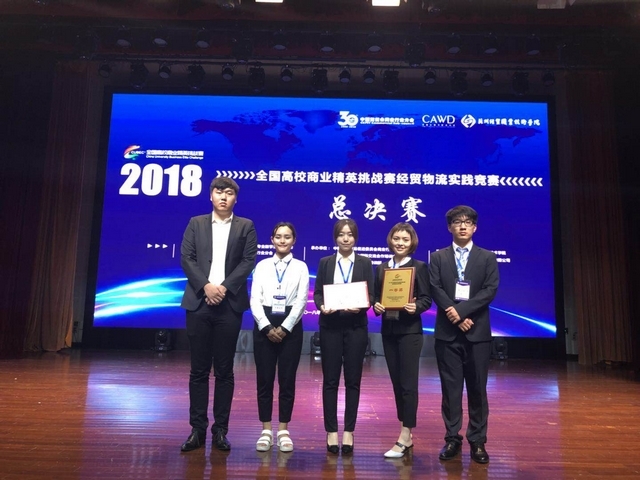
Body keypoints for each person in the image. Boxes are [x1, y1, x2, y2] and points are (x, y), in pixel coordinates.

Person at [179, 176, 257, 452]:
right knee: (198, 370)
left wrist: (222, 288)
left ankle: (220, 430)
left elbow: (248, 261)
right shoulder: (196, 223)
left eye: (229, 193)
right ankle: (197, 429)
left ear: (236, 198)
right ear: (210, 196)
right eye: (218, 192)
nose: (223, 197)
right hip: (199, 302)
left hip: (229, 304)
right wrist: (206, 287)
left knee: (224, 371)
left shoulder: (246, 226)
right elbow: (186, 258)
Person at [429, 205, 499, 464]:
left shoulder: (487, 257)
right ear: (449, 227)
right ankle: (452, 438)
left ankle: (478, 441)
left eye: (467, 222)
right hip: (447, 334)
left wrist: (461, 312)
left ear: (474, 227)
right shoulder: (438, 257)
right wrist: (455, 315)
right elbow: (435, 288)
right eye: (457, 222)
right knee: (450, 390)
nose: (462, 226)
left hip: (477, 333)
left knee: (478, 389)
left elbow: (490, 290)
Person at [313, 218, 374, 455]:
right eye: (341, 234)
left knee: (353, 380)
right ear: (335, 237)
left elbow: (371, 295)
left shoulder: (365, 263)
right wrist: (321, 306)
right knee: (330, 380)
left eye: (350, 234)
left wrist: (362, 305)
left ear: (355, 237)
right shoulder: (326, 262)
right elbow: (318, 293)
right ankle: (331, 431)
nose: (346, 238)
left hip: (356, 327)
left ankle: (349, 431)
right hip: (330, 326)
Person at [373, 222, 432, 458]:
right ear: (390, 240)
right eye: (396, 238)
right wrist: (376, 305)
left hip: (410, 332)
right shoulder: (382, 268)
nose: (400, 243)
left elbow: (426, 299)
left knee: (408, 384)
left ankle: (405, 435)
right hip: (389, 331)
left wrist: (416, 306)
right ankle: (405, 430)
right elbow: (376, 297)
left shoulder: (419, 267)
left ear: (412, 242)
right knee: (397, 384)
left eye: (405, 239)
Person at [250, 222, 309, 453]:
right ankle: (266, 429)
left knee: (287, 380)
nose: (282, 241)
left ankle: (283, 430)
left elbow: (302, 300)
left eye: (287, 237)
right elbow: (254, 299)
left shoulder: (301, 267)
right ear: (272, 240)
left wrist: (285, 327)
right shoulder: (262, 265)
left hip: (291, 326)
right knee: (264, 380)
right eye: (278, 237)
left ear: (294, 240)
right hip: (264, 324)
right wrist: (265, 326)